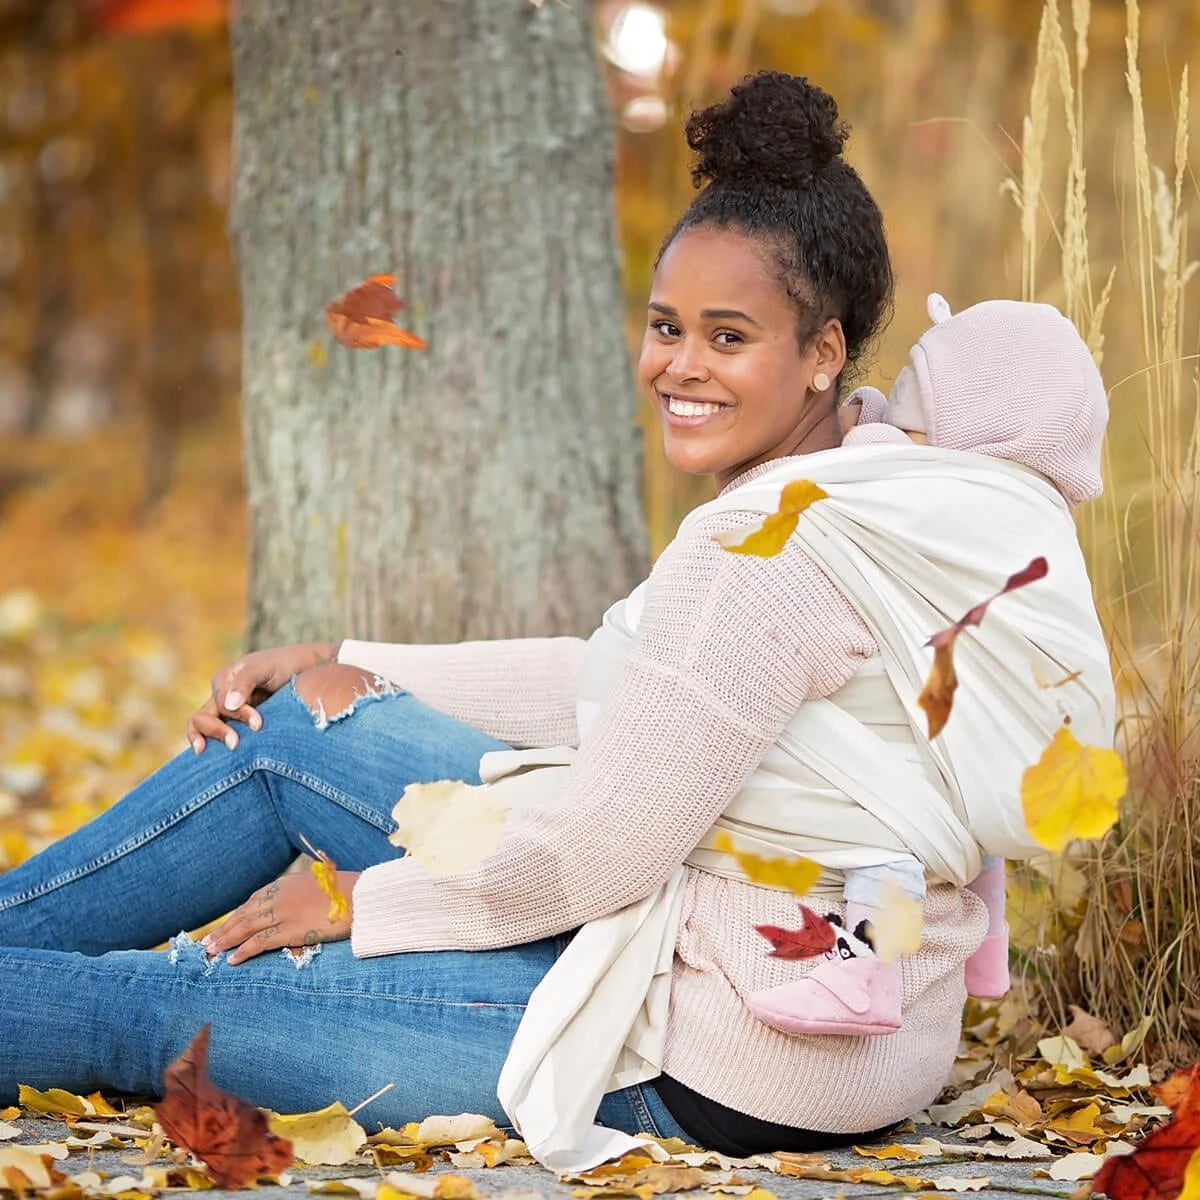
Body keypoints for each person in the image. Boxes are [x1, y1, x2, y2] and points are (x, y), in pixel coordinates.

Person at [0, 72, 1115, 1171]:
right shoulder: (880, 488)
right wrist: (347, 660)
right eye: (667, 324)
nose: (681, 365)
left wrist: (361, 901)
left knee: (170, 1009)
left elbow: (598, 854)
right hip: (850, 1024)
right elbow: (632, 686)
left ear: (822, 352)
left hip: (718, 1046)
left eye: (729, 339)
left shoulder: (775, 548)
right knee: (297, 729)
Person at [744, 291, 1111, 1038]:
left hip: (971, 743)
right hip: (1023, 744)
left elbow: (869, 469)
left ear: (975, 421)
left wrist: (858, 424)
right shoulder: (1028, 504)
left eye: (916, 402)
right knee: (962, 779)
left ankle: (865, 976)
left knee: (886, 804)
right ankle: (988, 955)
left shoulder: (942, 489)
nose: (893, 419)